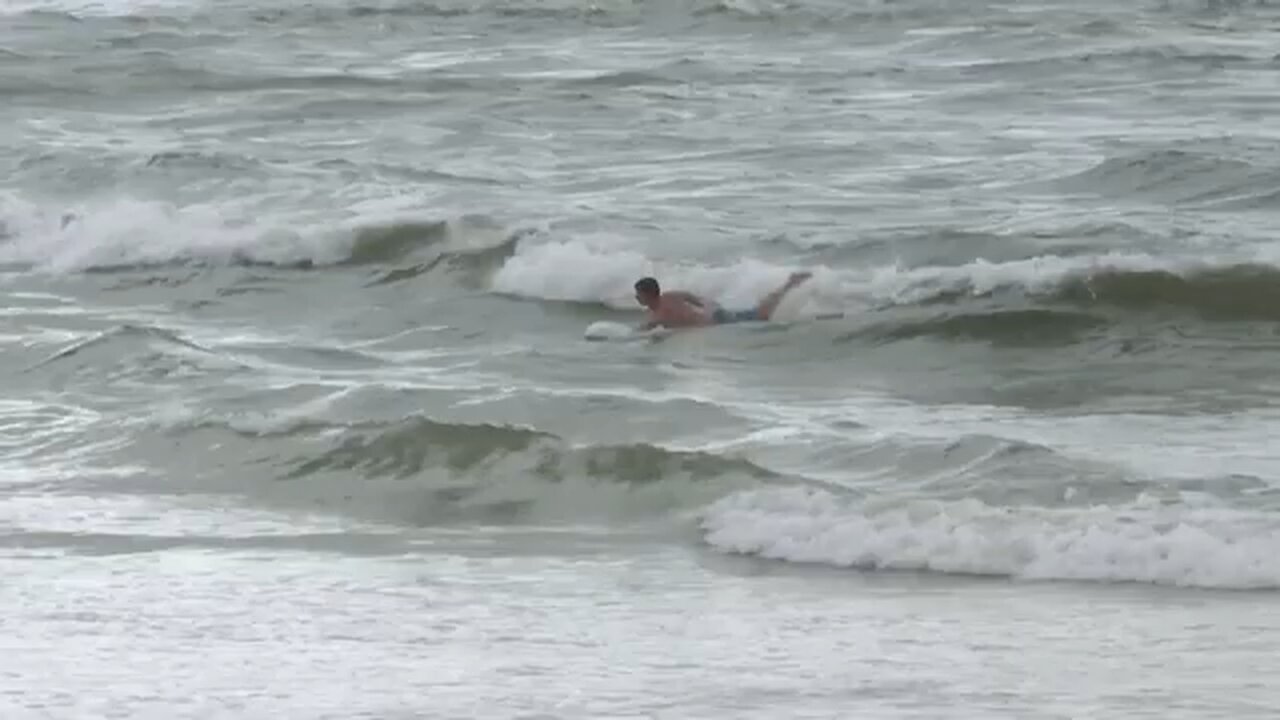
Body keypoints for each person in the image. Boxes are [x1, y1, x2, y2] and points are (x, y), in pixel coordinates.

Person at [634, 271, 812, 331]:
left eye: (639, 294)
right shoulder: (670, 296)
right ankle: (788, 284)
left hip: (720, 322)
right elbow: (689, 297)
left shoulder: (658, 315)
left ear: (648, 295)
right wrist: (705, 307)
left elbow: (644, 331)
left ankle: (790, 284)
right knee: (757, 312)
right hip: (717, 314)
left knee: (763, 316)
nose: (637, 297)